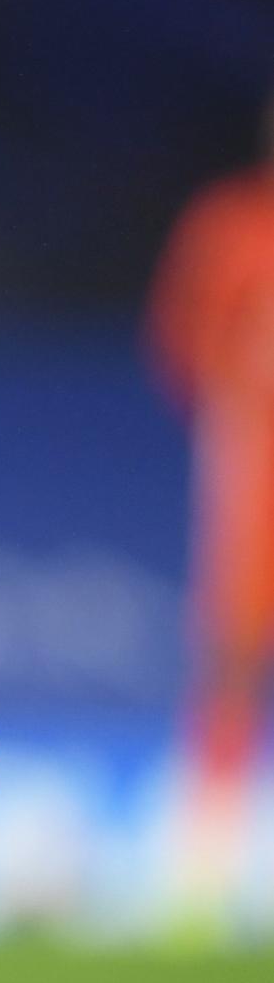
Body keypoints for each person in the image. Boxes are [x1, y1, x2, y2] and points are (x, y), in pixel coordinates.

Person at [144, 122, 274, 924]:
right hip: (250, 460)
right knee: (229, 656)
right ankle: (204, 880)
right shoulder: (228, 226)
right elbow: (180, 346)